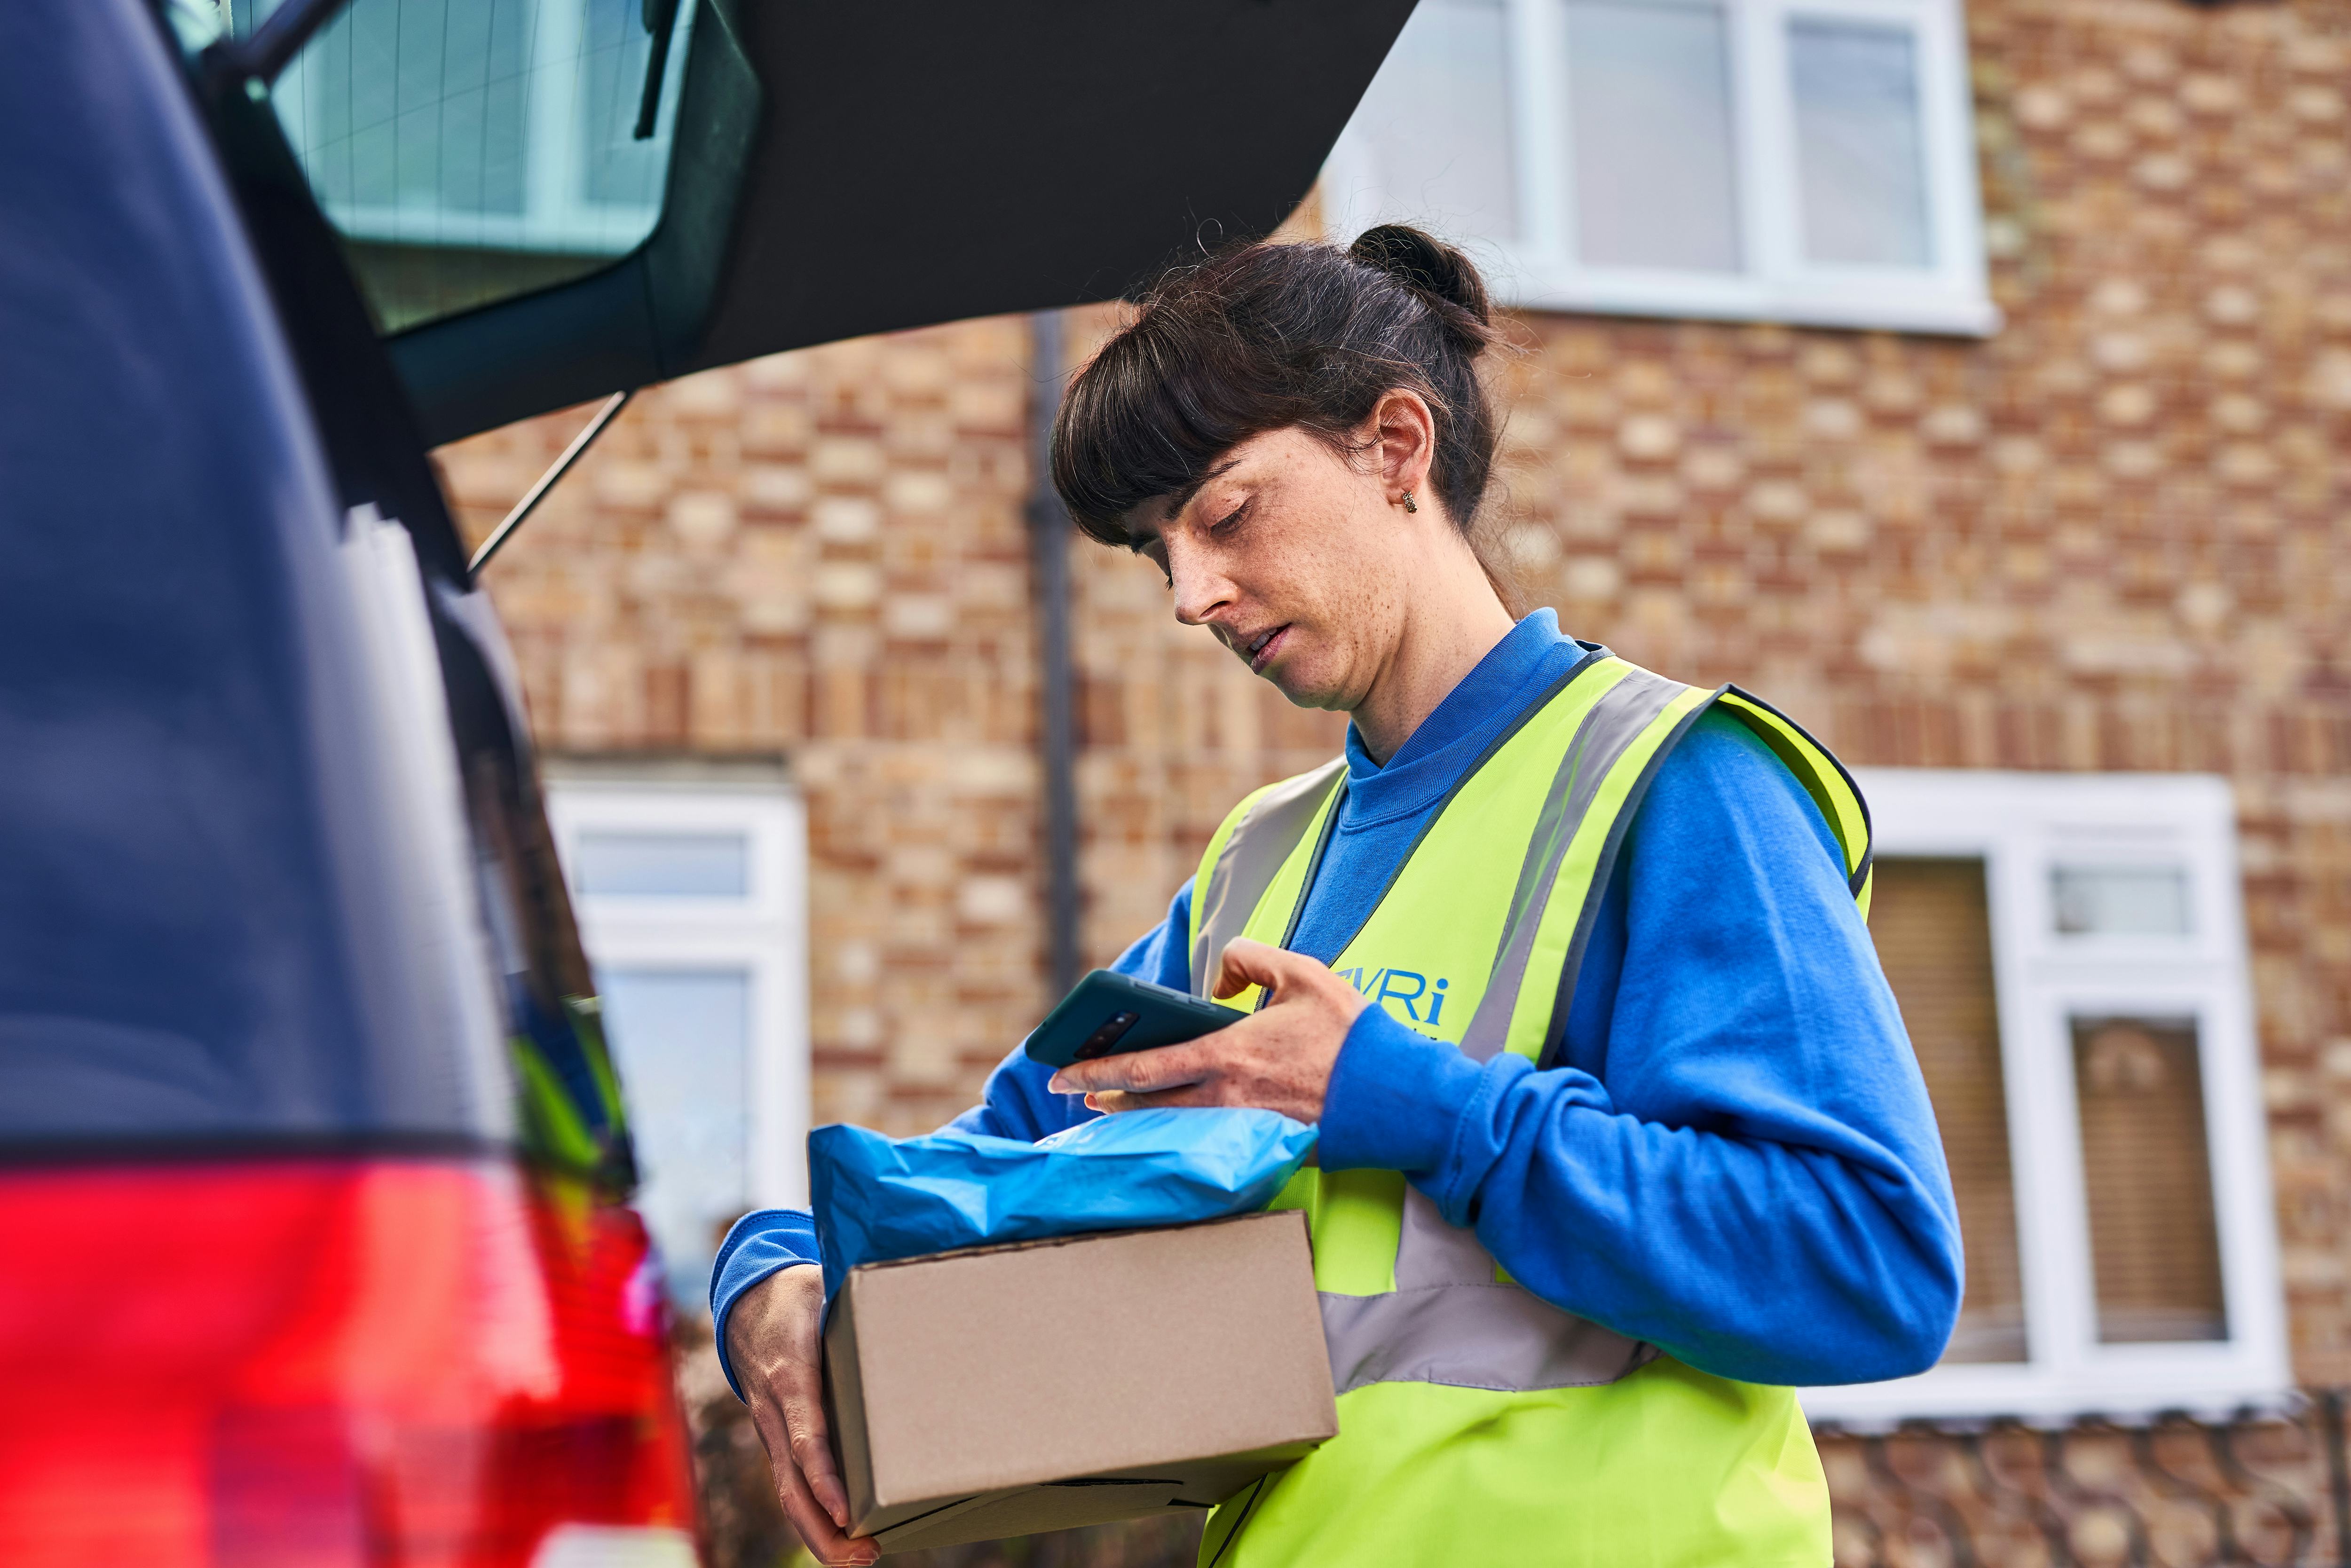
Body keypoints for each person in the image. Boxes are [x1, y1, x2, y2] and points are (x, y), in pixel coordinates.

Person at [712, 225, 1963, 1568]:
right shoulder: (1259, 865)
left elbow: (1869, 1267)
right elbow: (990, 1167)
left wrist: (1403, 1100)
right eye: (1157, 552)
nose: (1194, 595)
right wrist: (771, 1275)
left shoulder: (1676, 784)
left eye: (1226, 514)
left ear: (1396, 449)